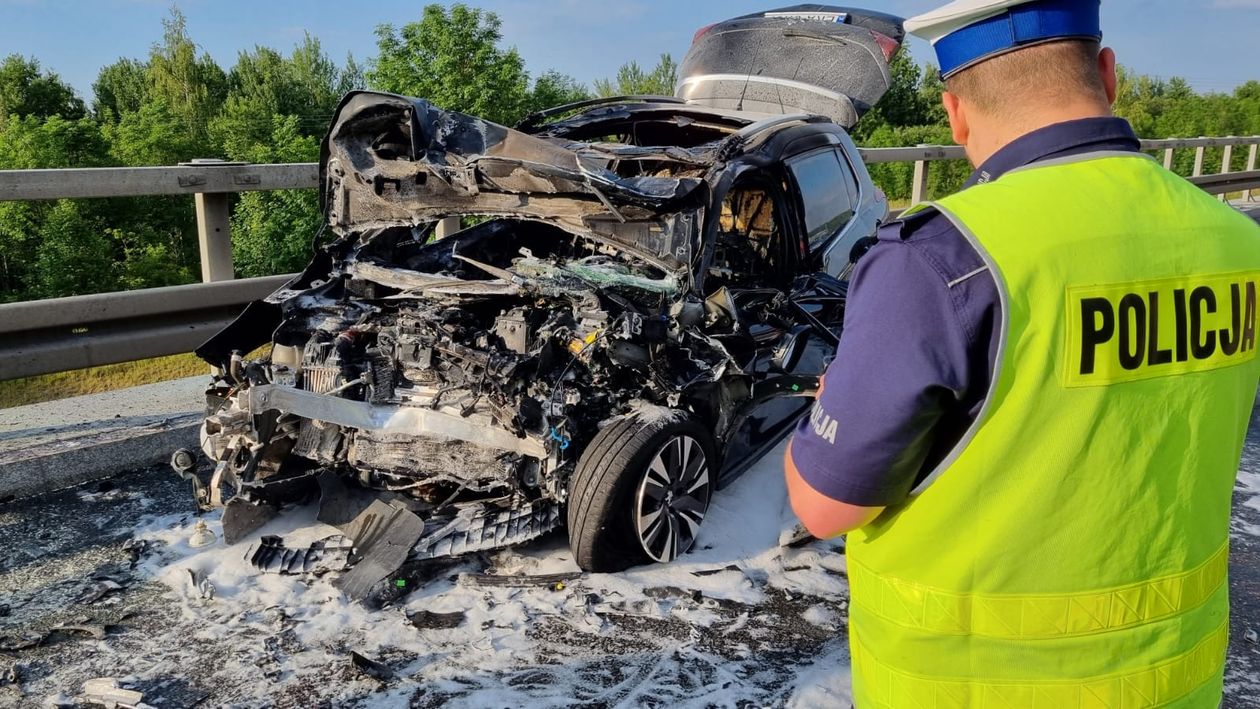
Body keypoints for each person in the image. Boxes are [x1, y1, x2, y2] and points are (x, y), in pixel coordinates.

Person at [784, 0, 1260, 705]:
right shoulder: (1234, 242)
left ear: (955, 113)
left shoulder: (943, 260)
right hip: (1174, 683)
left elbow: (824, 506)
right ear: (1107, 72)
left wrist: (829, 406)